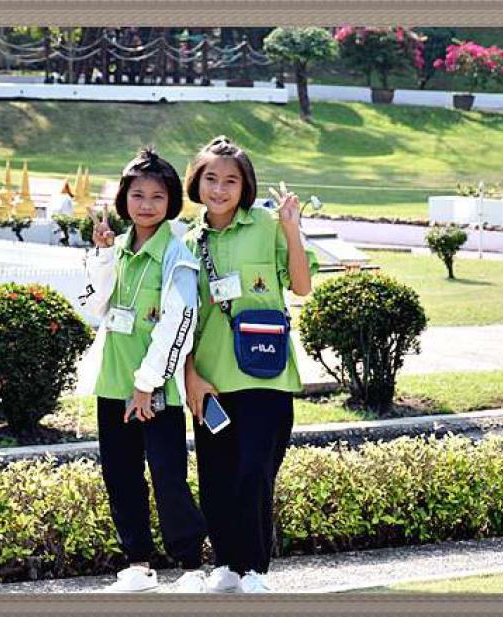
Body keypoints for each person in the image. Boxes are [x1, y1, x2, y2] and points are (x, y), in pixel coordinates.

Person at [182, 136, 318, 593]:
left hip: (267, 377)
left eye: (231, 181)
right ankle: (226, 564)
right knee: (215, 475)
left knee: (255, 472)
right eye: (211, 179)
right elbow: (183, 319)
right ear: (196, 182)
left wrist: (291, 229)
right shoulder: (188, 242)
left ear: (245, 187)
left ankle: (255, 569)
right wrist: (190, 375)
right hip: (211, 382)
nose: (220, 189)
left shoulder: (266, 224)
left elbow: (301, 286)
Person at [79, 148, 208, 593]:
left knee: (168, 476)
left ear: (171, 201)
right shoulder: (115, 249)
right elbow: (94, 305)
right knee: (121, 477)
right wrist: (101, 255)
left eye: (157, 196)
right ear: (123, 199)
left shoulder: (177, 254)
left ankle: (191, 567)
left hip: (157, 392)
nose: (146, 205)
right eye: (137, 195)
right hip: (113, 385)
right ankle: (137, 564)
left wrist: (146, 384)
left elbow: (180, 322)